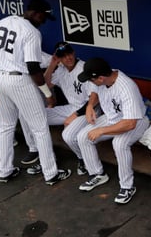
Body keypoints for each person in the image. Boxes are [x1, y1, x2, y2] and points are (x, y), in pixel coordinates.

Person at [0, 0, 71, 185]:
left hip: (0, 77)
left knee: (6, 126)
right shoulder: (31, 32)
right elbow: (33, 67)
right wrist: (48, 95)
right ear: (35, 13)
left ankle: (5, 170)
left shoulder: (5, 21)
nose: (43, 21)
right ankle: (51, 173)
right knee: (40, 127)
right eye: (43, 17)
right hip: (19, 79)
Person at [72, 57, 149, 204]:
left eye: (91, 79)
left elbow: (130, 123)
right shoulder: (104, 78)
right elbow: (94, 92)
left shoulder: (126, 87)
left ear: (100, 78)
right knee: (83, 136)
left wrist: (102, 131)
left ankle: (127, 187)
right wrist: (89, 106)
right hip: (112, 117)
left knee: (119, 144)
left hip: (135, 120)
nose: (90, 82)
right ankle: (97, 174)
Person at [21, 41, 99, 176]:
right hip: (71, 109)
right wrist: (52, 64)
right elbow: (45, 84)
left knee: (68, 136)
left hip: (89, 110)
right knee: (32, 117)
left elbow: (95, 97)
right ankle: (46, 157)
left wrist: (75, 115)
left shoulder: (84, 67)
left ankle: (82, 159)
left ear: (73, 53)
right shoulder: (61, 70)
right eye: (63, 56)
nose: (68, 58)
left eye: (69, 53)